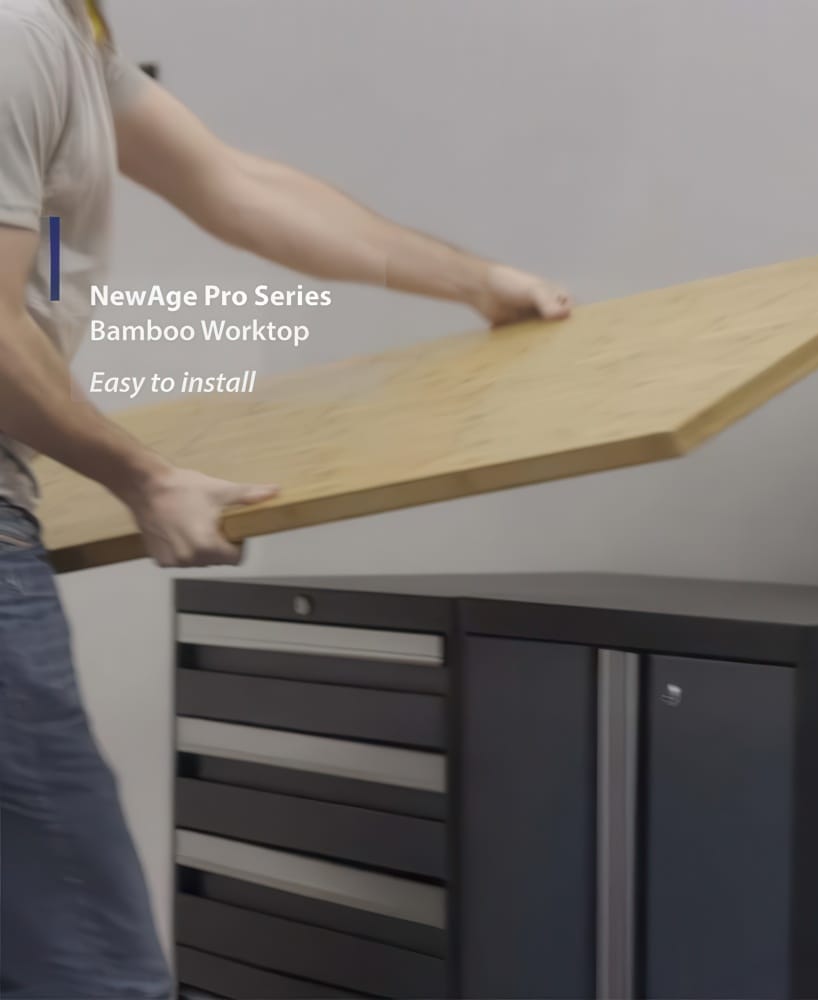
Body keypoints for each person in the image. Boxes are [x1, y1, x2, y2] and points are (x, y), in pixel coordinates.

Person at [0, 1, 572, 996]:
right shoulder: (15, 30)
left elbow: (233, 183)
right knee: (85, 964)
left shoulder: (66, 31)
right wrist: (146, 475)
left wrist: (472, 280)